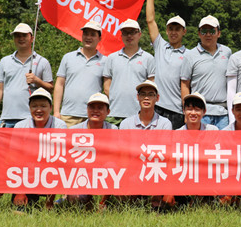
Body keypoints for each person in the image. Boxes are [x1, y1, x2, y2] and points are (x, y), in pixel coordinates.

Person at [0, 23, 53, 128]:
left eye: (24, 35)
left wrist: (37, 80)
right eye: (17, 36)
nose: (21, 38)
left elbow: (50, 88)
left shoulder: (42, 61)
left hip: (31, 119)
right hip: (7, 118)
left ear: (32, 38)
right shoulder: (5, 61)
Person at [120, 81, 173, 211]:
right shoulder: (126, 124)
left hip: (155, 167)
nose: (146, 98)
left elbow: (165, 153)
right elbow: (122, 153)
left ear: (157, 98)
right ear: (137, 97)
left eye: (151, 94)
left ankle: (156, 201)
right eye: (143, 94)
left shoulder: (165, 123)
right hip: (132, 167)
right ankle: (132, 202)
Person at [11, 88, 67, 211]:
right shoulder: (20, 126)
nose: (39, 110)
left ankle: (50, 202)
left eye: (43, 106)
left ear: (51, 108)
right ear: (29, 108)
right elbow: (15, 160)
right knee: (20, 210)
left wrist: (49, 201)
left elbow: (59, 161)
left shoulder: (60, 126)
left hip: (50, 171)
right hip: (27, 173)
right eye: (34, 106)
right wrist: (20, 192)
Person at [145, 0, 187, 129]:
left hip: (177, 111)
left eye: (177, 29)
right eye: (171, 28)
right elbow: (150, 20)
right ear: (167, 30)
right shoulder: (160, 46)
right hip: (156, 107)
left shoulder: (189, 55)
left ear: (184, 32)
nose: (174, 32)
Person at [180, 15, 232, 129]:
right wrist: (186, 111)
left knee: (222, 146)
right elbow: (184, 84)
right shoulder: (190, 56)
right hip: (199, 112)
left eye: (212, 31)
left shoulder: (227, 52)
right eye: (204, 31)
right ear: (199, 33)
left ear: (219, 33)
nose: (208, 35)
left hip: (222, 113)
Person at [67, 92, 118, 210]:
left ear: (108, 112)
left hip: (103, 170)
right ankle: (75, 199)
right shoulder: (75, 130)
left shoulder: (113, 129)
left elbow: (114, 156)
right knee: (74, 199)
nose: (95, 111)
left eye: (100, 108)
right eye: (92, 107)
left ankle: (102, 203)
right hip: (81, 171)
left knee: (113, 166)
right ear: (87, 109)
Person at [53, 21, 106, 127]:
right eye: (86, 33)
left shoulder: (105, 61)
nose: (88, 37)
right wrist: (56, 112)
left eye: (92, 34)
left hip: (93, 116)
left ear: (99, 38)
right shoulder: (68, 58)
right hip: (68, 116)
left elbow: (107, 88)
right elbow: (59, 84)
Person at [103, 19, 156, 124]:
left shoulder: (148, 58)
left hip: (139, 114)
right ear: (121, 35)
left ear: (139, 34)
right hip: (114, 113)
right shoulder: (111, 58)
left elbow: (152, 86)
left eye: (132, 32)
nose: (129, 36)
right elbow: (106, 86)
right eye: (126, 33)